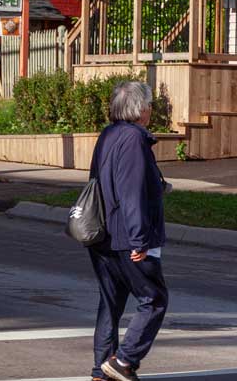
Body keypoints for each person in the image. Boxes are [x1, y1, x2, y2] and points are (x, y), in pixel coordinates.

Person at [89, 80, 168, 381]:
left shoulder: (108, 134)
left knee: (110, 303)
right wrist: (140, 240)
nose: (150, 110)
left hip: (102, 233)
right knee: (154, 298)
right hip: (127, 234)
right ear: (140, 109)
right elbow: (131, 192)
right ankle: (123, 361)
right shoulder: (135, 139)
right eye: (149, 105)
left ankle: (101, 370)